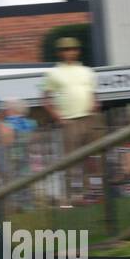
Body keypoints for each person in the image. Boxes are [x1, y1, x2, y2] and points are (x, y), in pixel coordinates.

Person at [42, 37, 100, 205]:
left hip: (89, 119)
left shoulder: (88, 71)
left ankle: (92, 194)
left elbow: (94, 94)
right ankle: (70, 197)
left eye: (73, 49)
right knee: (71, 161)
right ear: (60, 53)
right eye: (66, 50)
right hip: (69, 121)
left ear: (78, 51)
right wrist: (59, 118)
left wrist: (94, 106)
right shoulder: (53, 73)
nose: (70, 52)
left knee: (93, 157)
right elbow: (46, 99)